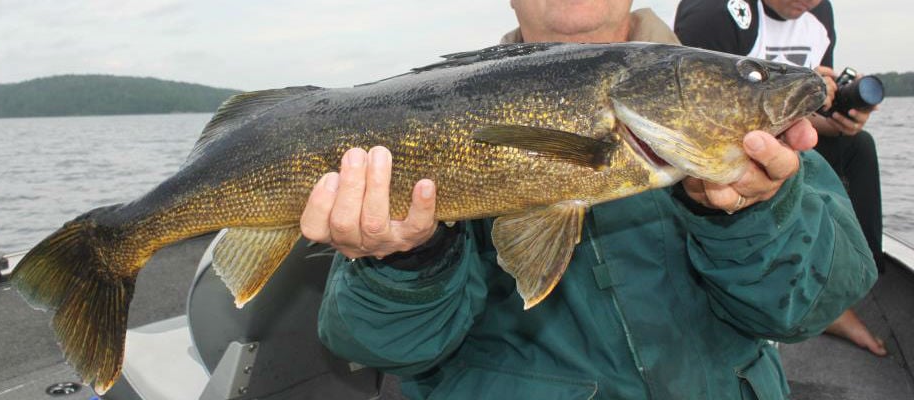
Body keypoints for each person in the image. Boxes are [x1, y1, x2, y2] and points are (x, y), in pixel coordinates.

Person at [307, 1, 877, 398]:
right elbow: (384, 349)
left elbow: (809, 310)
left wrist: (756, 215)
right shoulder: (430, 114)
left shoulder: (762, 150)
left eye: (755, 77)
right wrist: (407, 262)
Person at [674, 0, 887, 357]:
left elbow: (816, 114)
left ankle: (854, 283)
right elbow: (694, 109)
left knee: (859, 146)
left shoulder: (820, 16)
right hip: (720, 143)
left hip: (786, 132)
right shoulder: (712, 13)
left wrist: (836, 117)